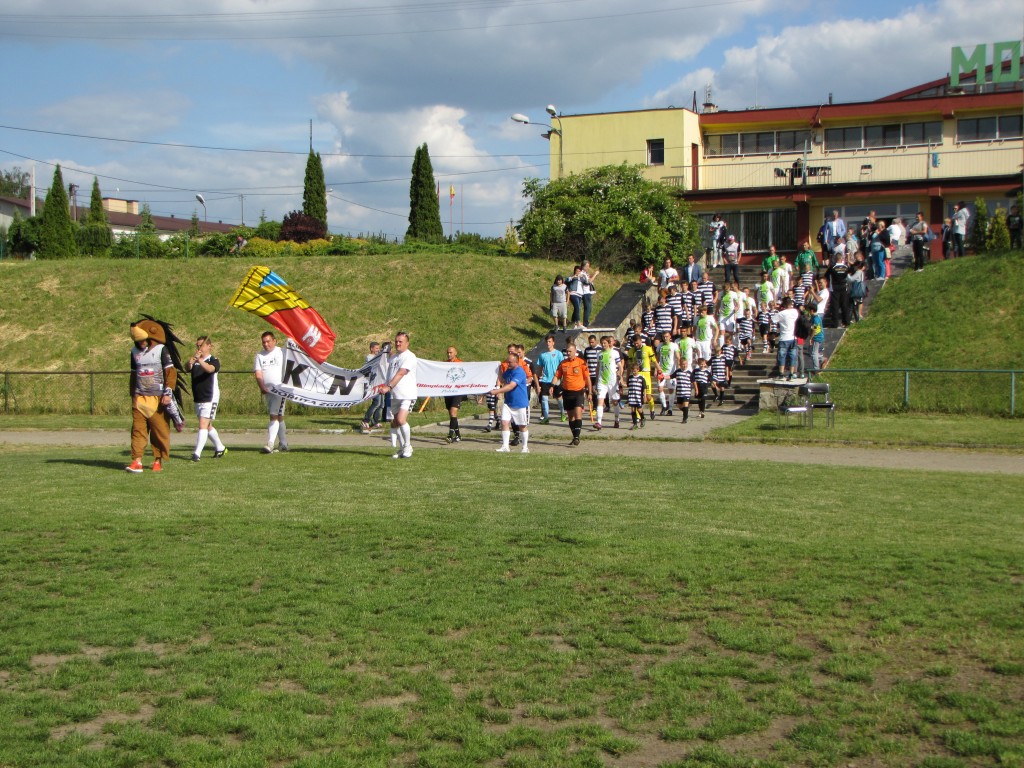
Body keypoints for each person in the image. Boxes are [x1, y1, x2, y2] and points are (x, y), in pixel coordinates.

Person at [126, 317, 184, 473]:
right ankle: (136, 460)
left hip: (157, 399)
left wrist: (168, 392)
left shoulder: (161, 350)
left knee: (159, 431)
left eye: (144, 340)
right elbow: (133, 374)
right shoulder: (134, 352)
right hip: (140, 398)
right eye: (139, 341)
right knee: (138, 430)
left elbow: (170, 373)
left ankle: (157, 460)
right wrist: (133, 394)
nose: (142, 343)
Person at [377, 331, 418, 459]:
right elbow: (389, 374)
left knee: (401, 419)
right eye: (396, 341)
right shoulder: (394, 357)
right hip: (395, 394)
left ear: (407, 343)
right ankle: (401, 448)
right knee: (395, 422)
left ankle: (408, 447)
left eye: (401, 341)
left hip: (407, 393)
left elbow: (401, 373)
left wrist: (388, 386)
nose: (398, 344)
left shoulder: (409, 357)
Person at [187, 336, 227, 461]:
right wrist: (191, 362)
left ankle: (196, 454)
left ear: (209, 346)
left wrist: (200, 361)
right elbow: (187, 368)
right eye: (197, 346)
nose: (199, 348)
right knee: (208, 425)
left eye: (202, 345)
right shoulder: (196, 360)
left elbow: (210, 369)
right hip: (199, 396)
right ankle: (220, 447)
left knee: (203, 424)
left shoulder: (214, 360)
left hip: (210, 396)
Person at [253, 331, 289, 454]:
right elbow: (258, 373)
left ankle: (270, 443)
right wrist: (262, 386)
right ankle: (283, 443)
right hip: (268, 390)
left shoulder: (281, 352)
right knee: (278, 416)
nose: (266, 344)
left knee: (274, 416)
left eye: (268, 341)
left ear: (274, 341)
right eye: (264, 342)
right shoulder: (259, 355)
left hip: (280, 390)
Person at [490, 348, 531, 454]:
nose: (508, 363)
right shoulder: (508, 370)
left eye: (510, 362)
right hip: (508, 402)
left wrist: (497, 391)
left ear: (516, 362)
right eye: (507, 361)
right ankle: (505, 446)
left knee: (522, 426)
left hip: (519, 403)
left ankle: (525, 447)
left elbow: (511, 386)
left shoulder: (520, 372)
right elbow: (503, 380)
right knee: (504, 422)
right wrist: (499, 371)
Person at [554, 342, 592, 446]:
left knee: (578, 415)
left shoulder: (581, 362)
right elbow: (557, 376)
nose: (568, 353)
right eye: (567, 351)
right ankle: (574, 436)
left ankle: (576, 437)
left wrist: (590, 392)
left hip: (579, 392)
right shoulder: (563, 363)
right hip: (567, 392)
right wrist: (552, 386)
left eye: (570, 351)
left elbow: (587, 378)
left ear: (575, 351)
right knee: (571, 417)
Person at [594, 335, 622, 429]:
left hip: (612, 381)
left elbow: (620, 365)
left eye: (605, 343)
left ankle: (617, 419)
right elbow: (598, 368)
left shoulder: (614, 353)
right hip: (602, 382)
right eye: (602, 343)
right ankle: (598, 422)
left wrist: (620, 374)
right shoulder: (599, 354)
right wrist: (596, 381)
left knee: (615, 402)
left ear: (608, 343)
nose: (603, 345)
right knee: (600, 401)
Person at [536, 334, 565, 425]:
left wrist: (563, 379)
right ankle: (546, 417)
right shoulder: (542, 355)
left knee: (558, 397)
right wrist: (536, 380)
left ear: (553, 342)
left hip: (556, 379)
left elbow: (562, 367)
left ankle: (562, 413)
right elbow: (540, 369)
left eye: (550, 341)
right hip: (545, 380)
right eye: (547, 341)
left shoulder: (558, 354)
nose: (548, 343)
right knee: (544, 399)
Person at [360, 341, 385, 433]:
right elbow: (374, 364)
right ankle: (365, 420)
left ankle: (375, 421)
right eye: (376, 348)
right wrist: (382, 354)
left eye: (379, 348)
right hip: (374, 383)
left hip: (381, 382)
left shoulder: (379, 357)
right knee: (376, 403)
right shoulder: (369, 357)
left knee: (381, 404)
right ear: (371, 349)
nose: (378, 350)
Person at [443, 345, 465, 443]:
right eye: (448, 352)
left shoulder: (460, 363)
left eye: (451, 352)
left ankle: (450, 435)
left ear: (455, 353)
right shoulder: (444, 364)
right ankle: (458, 435)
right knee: (451, 415)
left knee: (453, 412)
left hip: (457, 391)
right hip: (447, 391)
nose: (449, 354)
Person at [775, 297, 801, 380]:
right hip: (793, 337)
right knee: (793, 355)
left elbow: (773, 320)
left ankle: (781, 373)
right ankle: (791, 373)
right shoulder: (795, 311)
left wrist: (779, 310)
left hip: (784, 337)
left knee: (782, 356)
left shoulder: (781, 313)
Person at [656, 330, 679, 415]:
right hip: (662, 371)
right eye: (664, 337)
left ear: (670, 337)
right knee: (660, 388)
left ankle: (670, 408)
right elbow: (657, 359)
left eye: (667, 336)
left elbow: (678, 357)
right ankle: (664, 406)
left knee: (671, 390)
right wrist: (656, 369)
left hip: (671, 371)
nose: (665, 338)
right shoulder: (660, 346)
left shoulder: (674, 346)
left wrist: (678, 369)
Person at [625, 361, 647, 429]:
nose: (634, 372)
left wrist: (645, 396)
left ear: (638, 370)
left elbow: (644, 388)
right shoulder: (630, 377)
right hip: (632, 396)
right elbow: (627, 385)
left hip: (638, 397)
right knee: (632, 410)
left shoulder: (641, 378)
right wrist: (621, 382)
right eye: (633, 371)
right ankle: (635, 424)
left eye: (635, 371)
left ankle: (643, 418)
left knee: (639, 409)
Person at [580, 260, 600, 327]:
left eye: (589, 266)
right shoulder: (582, 273)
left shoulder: (586, 273)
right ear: (583, 266)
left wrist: (594, 274)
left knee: (589, 308)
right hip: (585, 293)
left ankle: (586, 322)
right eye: (587, 266)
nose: (588, 268)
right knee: (588, 308)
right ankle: (585, 323)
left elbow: (589, 279)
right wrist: (595, 274)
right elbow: (588, 282)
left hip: (588, 292)